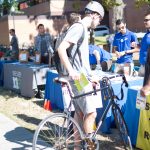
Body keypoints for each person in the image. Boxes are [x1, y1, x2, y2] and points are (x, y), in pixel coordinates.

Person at [57, 0, 104, 143]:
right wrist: (71, 71)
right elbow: (61, 49)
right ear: (95, 15)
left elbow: (81, 60)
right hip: (77, 78)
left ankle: (78, 147)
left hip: (82, 77)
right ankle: (89, 146)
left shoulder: (83, 30)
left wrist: (90, 76)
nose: (99, 23)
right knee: (91, 113)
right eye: (100, 19)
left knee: (79, 113)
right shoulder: (79, 27)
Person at [139, 11, 150, 77]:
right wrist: (136, 45)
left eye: (146, 20)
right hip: (142, 65)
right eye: (144, 20)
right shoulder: (146, 35)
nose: (144, 22)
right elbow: (142, 47)